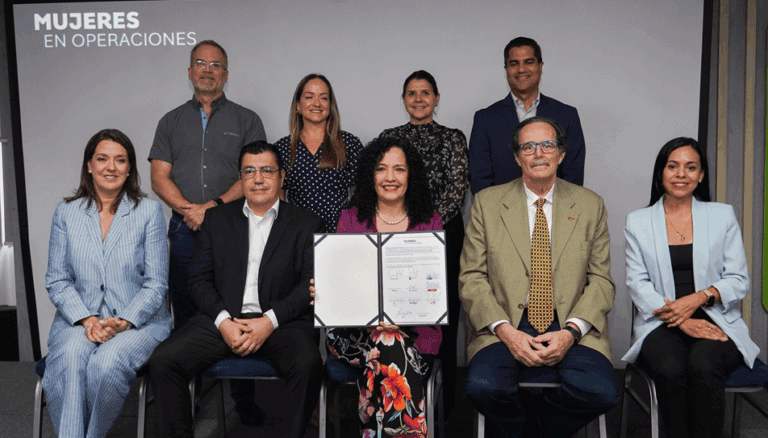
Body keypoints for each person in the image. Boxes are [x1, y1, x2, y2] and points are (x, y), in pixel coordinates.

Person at [148, 141, 324, 438]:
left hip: (280, 323)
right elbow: (198, 280)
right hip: (222, 321)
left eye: (267, 170)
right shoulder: (216, 220)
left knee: (308, 364)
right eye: (250, 171)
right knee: (164, 361)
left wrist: (268, 321)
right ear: (240, 178)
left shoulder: (306, 223)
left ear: (282, 177)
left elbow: (307, 287)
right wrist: (223, 322)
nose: (258, 178)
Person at [461, 116, 618, 438]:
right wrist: (507, 332)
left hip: (570, 325)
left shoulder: (590, 205)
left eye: (547, 145)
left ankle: (533, 430)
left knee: (601, 392)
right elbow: (471, 278)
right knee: (482, 388)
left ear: (560, 154)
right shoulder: (487, 204)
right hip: (505, 325)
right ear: (517, 157)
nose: (538, 153)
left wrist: (571, 333)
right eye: (528, 146)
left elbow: (601, 280)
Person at [622, 137, 758, 437]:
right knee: (671, 369)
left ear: (701, 175)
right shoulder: (638, 222)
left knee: (703, 366)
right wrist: (681, 318)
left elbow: (738, 279)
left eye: (690, 167)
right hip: (660, 321)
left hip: (716, 319)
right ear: (661, 173)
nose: (681, 174)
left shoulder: (722, 215)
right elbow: (638, 283)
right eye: (673, 166)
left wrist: (699, 297)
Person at [43, 129, 171, 438]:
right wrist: (88, 320)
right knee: (70, 359)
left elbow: (156, 284)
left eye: (120, 160)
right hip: (79, 319)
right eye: (102, 159)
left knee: (106, 363)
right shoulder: (66, 213)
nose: (110, 167)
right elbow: (57, 279)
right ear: (89, 165)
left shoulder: (149, 212)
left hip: (138, 322)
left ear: (130, 169)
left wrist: (124, 322)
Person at [314, 136, 442, 438]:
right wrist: (324, 290)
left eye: (399, 169)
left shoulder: (429, 221)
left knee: (389, 346)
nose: (389, 178)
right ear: (370, 175)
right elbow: (342, 284)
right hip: (354, 331)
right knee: (388, 343)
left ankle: (372, 430)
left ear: (411, 175)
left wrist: (399, 318)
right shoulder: (350, 219)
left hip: (415, 329)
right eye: (381, 169)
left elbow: (432, 290)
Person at [148, 39, 267, 329]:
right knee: (187, 307)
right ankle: (194, 375)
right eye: (201, 63)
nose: (207, 70)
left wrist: (212, 208)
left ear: (225, 75)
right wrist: (192, 211)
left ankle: (238, 375)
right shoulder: (170, 122)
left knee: (239, 307)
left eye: (216, 65)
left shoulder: (247, 120)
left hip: (235, 226)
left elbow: (255, 174)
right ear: (190, 71)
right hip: (184, 229)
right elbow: (158, 177)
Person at [378, 70, 468, 413]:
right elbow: (382, 183)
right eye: (412, 93)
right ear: (403, 100)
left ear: (437, 98)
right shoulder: (390, 137)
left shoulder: (453, 137)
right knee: (400, 304)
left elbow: (457, 188)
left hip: (444, 233)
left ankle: (447, 403)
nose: (418, 99)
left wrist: (424, 227)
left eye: (425, 92)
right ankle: (401, 377)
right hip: (393, 231)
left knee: (443, 310)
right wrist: (403, 226)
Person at [468, 36, 585, 194]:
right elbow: (480, 179)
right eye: (514, 63)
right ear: (506, 70)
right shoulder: (485, 119)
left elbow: (573, 175)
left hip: (555, 213)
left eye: (528, 62)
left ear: (540, 66)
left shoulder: (566, 115)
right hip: (501, 214)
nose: (521, 69)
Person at [276, 73, 362, 232]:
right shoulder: (282, 148)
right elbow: (278, 197)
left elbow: (361, 194)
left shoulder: (349, 143)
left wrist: (352, 229)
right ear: (298, 106)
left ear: (330, 106)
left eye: (323, 98)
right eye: (309, 97)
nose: (317, 103)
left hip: (341, 234)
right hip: (298, 235)